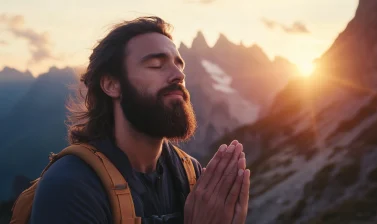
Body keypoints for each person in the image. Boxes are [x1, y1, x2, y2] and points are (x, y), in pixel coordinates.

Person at [28, 16, 250, 224]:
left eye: (179, 65)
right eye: (156, 65)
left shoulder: (193, 176)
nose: (179, 75)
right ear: (112, 85)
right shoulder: (71, 186)